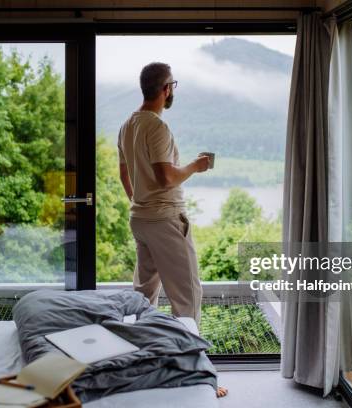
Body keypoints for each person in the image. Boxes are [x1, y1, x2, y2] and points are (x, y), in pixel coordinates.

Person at [117, 62, 227, 398]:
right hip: (165, 220)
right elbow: (166, 177)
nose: (172, 91)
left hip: (141, 219)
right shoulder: (157, 127)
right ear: (166, 89)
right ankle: (196, 375)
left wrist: (143, 203)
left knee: (143, 295)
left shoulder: (127, 125)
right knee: (187, 295)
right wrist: (196, 165)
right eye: (173, 86)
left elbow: (125, 175)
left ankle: (137, 364)